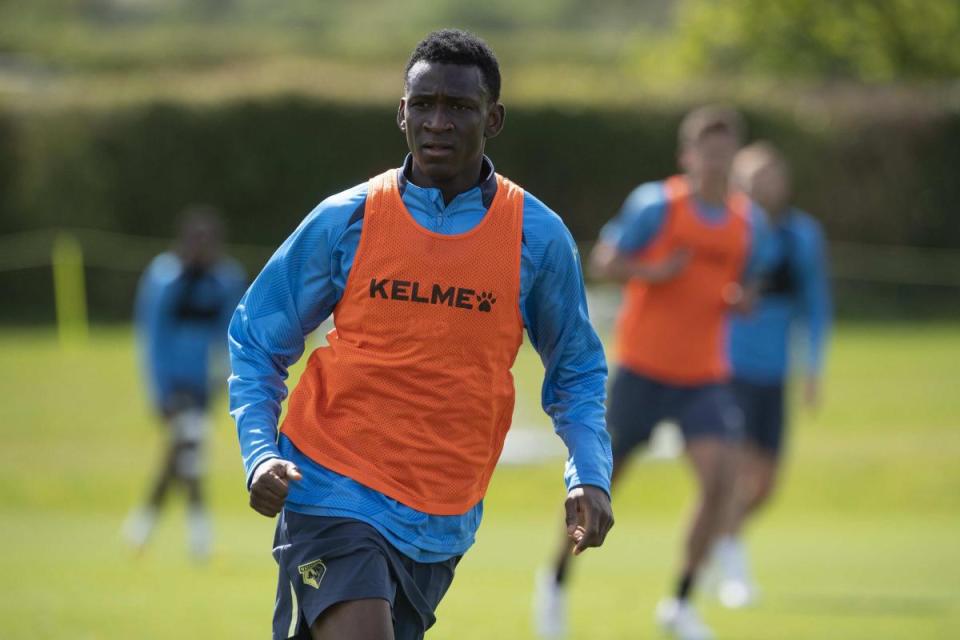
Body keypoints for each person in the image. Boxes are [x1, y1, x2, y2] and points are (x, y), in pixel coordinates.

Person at [228, 29, 614, 640]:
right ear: (401, 113)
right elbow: (255, 340)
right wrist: (259, 453)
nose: (438, 122)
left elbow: (576, 370)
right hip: (330, 485)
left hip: (444, 515)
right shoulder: (346, 219)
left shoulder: (535, 237)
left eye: (459, 107)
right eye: (424, 104)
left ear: (494, 119)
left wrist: (588, 472)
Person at [535, 105, 773, 640]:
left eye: (725, 154)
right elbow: (603, 261)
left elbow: (736, 283)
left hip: (703, 377)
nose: (716, 164)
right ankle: (554, 581)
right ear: (687, 156)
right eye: (706, 153)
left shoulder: (745, 222)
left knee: (721, 480)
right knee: (597, 490)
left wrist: (739, 300)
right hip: (642, 370)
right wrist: (653, 271)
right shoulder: (656, 205)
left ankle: (682, 604)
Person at [709, 141, 832, 608]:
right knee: (736, 473)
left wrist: (813, 369)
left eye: (771, 176)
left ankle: (713, 541)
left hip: (775, 373)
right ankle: (734, 571)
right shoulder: (729, 228)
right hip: (727, 368)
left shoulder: (804, 235)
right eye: (753, 176)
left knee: (765, 485)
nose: (763, 185)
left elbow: (815, 306)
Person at [123, 206, 246, 561]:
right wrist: (159, 393)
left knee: (179, 458)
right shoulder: (164, 278)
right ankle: (199, 536)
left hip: (205, 385)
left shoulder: (226, 279)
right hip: (173, 387)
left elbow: (231, 332)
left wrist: (226, 377)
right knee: (188, 455)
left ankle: (141, 528)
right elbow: (152, 339)